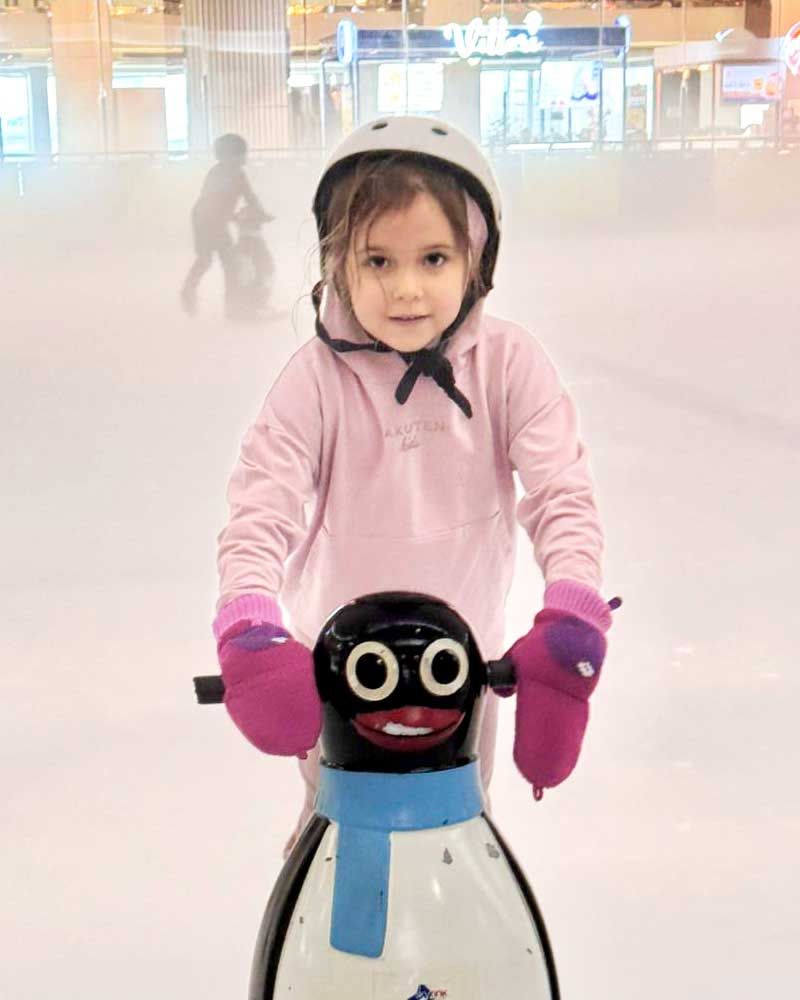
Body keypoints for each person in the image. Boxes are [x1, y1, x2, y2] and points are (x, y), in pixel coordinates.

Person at [212, 117, 617, 854]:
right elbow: (262, 502)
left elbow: (561, 491)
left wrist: (572, 610)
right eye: (377, 261)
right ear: (339, 265)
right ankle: (331, 939)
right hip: (339, 667)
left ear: (476, 261)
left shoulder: (507, 364)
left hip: (461, 664)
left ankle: (454, 954)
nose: (406, 289)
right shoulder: (316, 380)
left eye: (433, 258)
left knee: (457, 824)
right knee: (336, 822)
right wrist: (248, 621)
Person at [181, 133, 267, 319]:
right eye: (240, 154)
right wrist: (234, 217)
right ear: (226, 157)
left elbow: (250, 196)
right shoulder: (216, 174)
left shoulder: (239, 174)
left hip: (219, 222)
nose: (244, 158)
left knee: (230, 264)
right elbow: (212, 203)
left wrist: (261, 212)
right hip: (204, 221)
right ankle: (188, 291)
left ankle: (233, 308)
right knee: (206, 259)